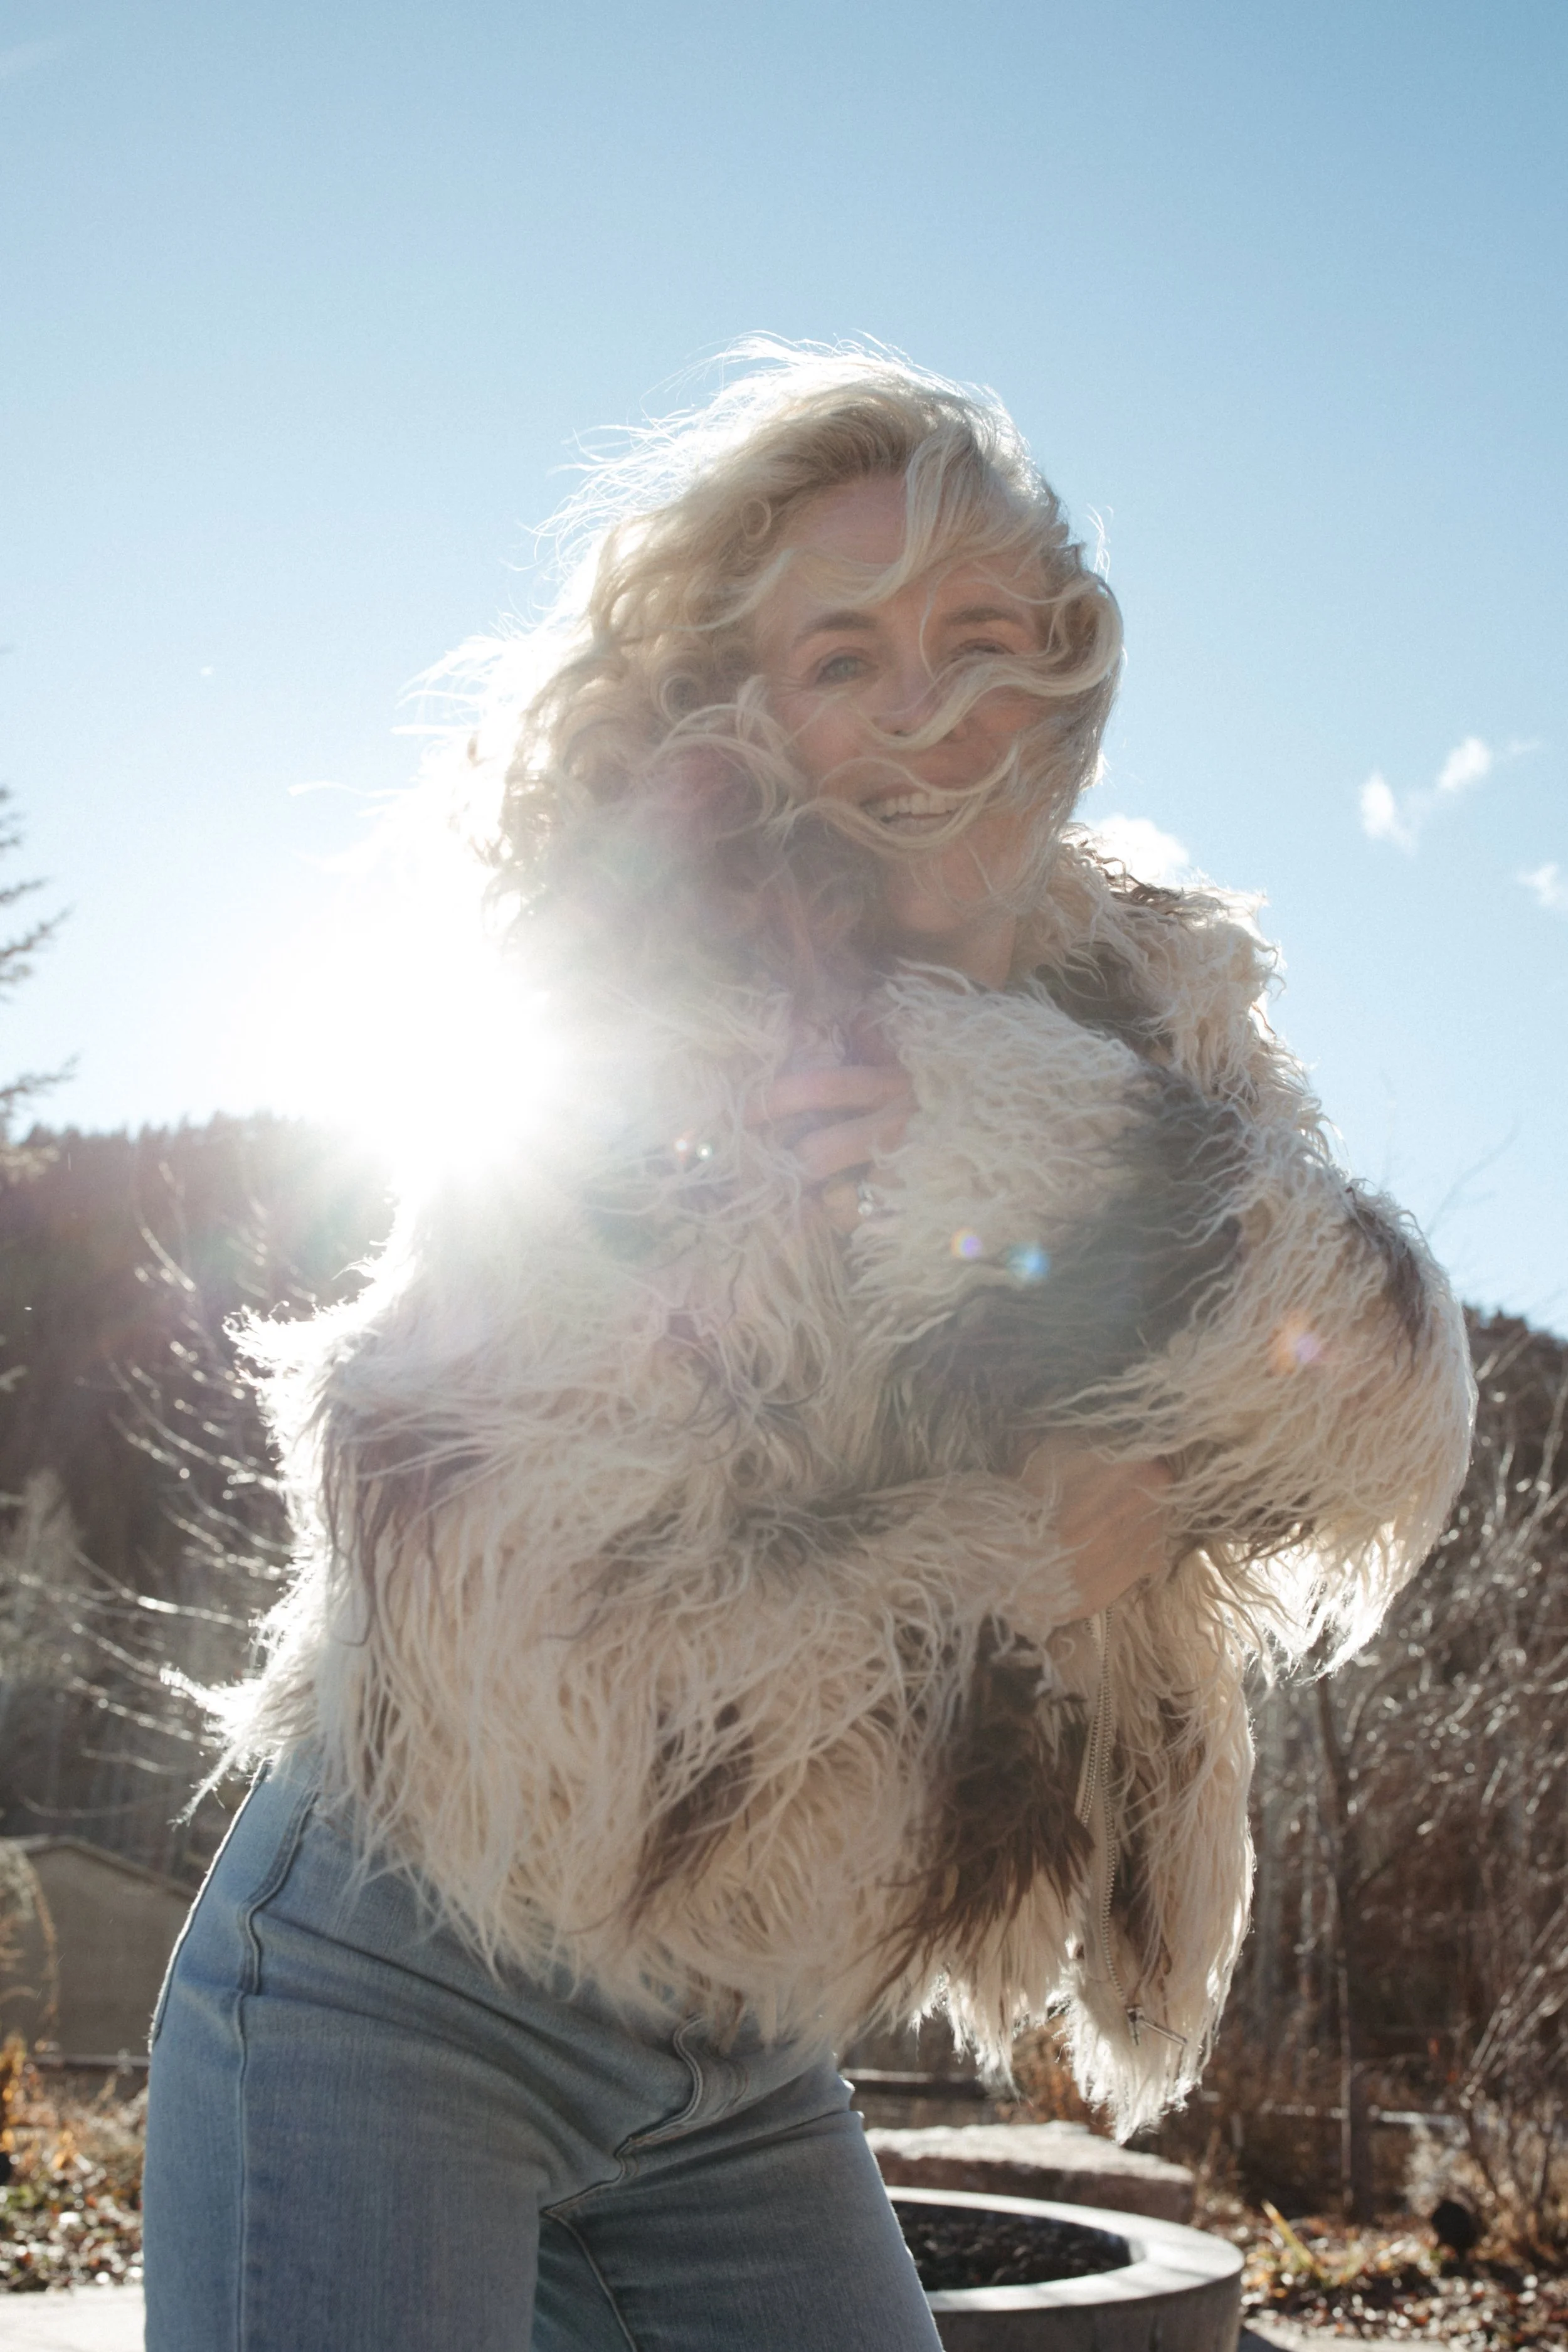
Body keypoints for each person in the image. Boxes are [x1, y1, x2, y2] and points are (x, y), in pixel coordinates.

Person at [142, 346, 1474, 2351]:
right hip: (398, 1982)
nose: (932, 712)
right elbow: (546, 1678)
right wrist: (1023, 1545)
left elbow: (1381, 1397)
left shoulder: (1149, 1004)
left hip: (733, 2047)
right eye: (847, 657)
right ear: (741, 708)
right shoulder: (624, 1017)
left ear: (1065, 665)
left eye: (977, 639)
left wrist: (996, 1123)